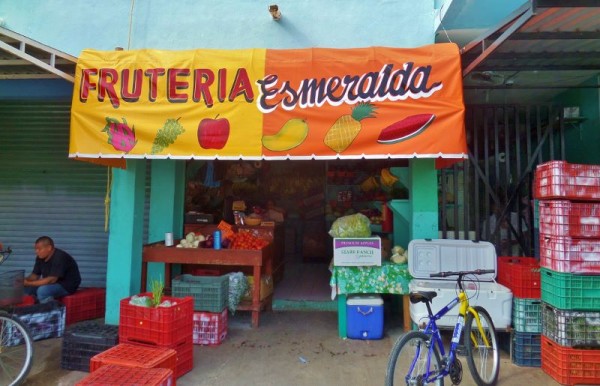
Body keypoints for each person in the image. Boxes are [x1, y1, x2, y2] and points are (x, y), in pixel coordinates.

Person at [24, 236, 81, 302]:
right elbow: (34, 276)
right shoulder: (40, 257)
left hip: (67, 286)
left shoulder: (59, 257)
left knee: (43, 291)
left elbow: (51, 280)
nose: (36, 251)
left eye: (39, 249)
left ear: (49, 248)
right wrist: (23, 281)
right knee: (25, 290)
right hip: (52, 284)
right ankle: (33, 309)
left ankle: (52, 310)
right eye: (35, 249)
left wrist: (29, 283)